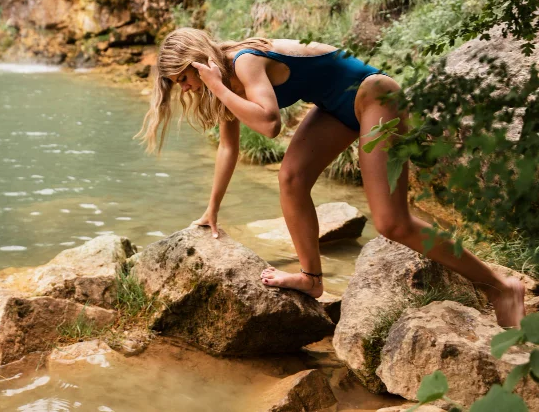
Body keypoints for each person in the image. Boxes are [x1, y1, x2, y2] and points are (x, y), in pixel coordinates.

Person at [137, 27, 525, 328]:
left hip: (375, 95)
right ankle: (311, 279)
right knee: (290, 177)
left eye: (183, 78)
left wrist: (217, 87)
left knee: (392, 222)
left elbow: (270, 125)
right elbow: (228, 147)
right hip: (337, 105)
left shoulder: (241, 63)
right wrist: (211, 211)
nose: (186, 88)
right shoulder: (223, 80)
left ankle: (500, 286)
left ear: (198, 61)